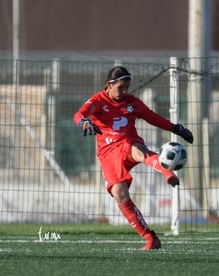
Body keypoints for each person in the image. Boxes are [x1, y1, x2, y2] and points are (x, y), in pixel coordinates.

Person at [73, 66, 194, 250]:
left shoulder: (132, 102)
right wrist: (84, 122)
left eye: (127, 87)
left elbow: (152, 117)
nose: (124, 92)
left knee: (138, 149)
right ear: (109, 85)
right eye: (120, 87)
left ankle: (165, 170)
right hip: (108, 153)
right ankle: (149, 237)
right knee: (119, 194)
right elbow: (79, 114)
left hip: (128, 142)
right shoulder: (98, 100)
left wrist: (176, 128)